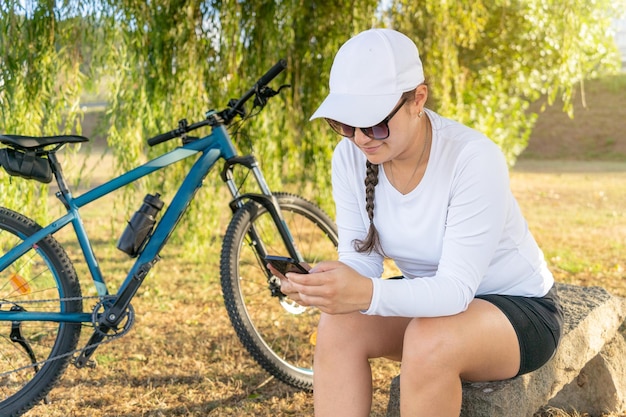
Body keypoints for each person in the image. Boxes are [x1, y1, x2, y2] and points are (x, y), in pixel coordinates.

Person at [275, 28, 563, 417]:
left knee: (430, 340)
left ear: (418, 100)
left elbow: (456, 290)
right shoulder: (350, 157)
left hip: (517, 307)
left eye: (374, 123)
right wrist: (327, 285)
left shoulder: (473, 158)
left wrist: (364, 294)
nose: (359, 139)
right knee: (338, 325)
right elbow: (362, 263)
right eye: (344, 124)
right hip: (431, 300)